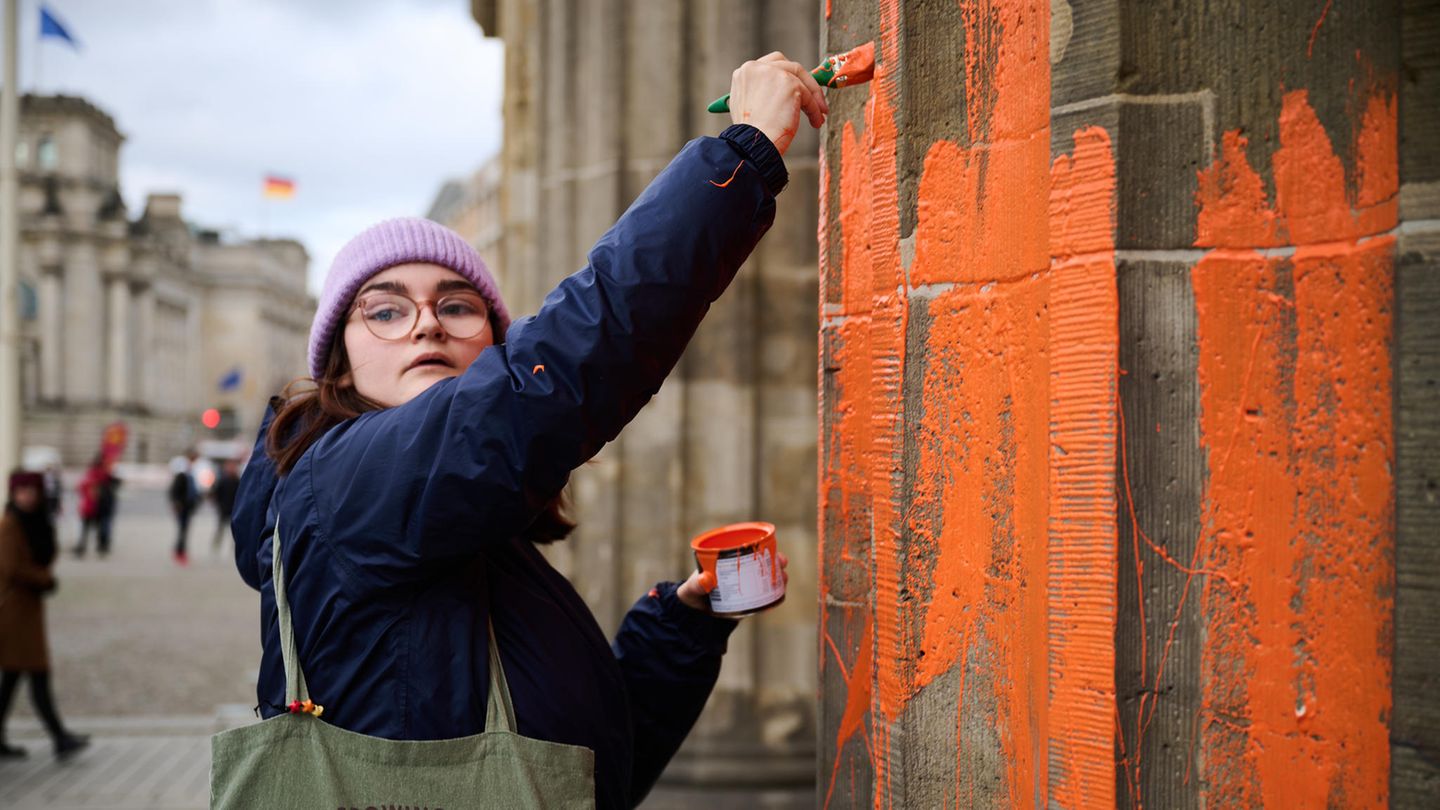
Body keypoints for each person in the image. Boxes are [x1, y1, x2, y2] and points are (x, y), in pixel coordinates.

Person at [229, 54, 820, 809]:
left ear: (487, 344)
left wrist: (681, 626)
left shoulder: (481, 537)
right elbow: (561, 365)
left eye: (457, 306)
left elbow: (579, 773)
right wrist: (741, 156)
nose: (425, 328)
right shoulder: (340, 480)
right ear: (339, 360)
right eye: (384, 309)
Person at [0, 471, 89, 759]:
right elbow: (12, 568)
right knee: (37, 673)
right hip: (14, 612)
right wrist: (45, 580)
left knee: (12, 677)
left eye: (31, 490)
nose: (27, 495)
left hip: (28, 610)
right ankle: (59, 736)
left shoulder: (35, 523)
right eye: (21, 490)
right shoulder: (9, 525)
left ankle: (54, 736)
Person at [72, 455, 119, 558]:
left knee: (86, 529)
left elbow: (80, 488)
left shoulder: (91, 474)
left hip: (90, 507)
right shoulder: (103, 475)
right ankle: (100, 547)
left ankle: (83, 548)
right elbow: (114, 483)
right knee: (97, 528)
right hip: (97, 507)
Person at [168, 449, 200, 565]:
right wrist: (177, 503)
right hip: (182, 507)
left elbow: (193, 492)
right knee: (182, 530)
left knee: (184, 530)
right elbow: (174, 491)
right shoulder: (182, 473)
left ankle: (181, 551)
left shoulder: (191, 473)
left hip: (188, 507)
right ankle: (179, 552)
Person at [209, 458, 241, 552]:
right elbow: (215, 492)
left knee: (234, 529)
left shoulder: (237, 480)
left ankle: (234, 546)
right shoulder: (222, 480)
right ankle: (216, 545)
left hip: (233, 509)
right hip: (223, 508)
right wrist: (217, 504)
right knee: (220, 529)